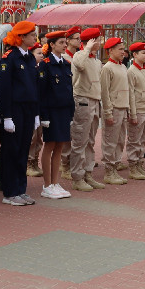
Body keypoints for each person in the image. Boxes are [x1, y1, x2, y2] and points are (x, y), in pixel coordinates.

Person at [0, 21, 39, 206]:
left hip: (28, 110)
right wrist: (6, 116)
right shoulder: (10, 58)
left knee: (23, 150)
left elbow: (34, 88)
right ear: (21, 37)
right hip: (14, 111)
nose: (35, 38)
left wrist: (36, 114)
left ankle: (20, 189)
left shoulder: (29, 58)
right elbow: (3, 89)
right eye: (31, 35)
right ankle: (10, 191)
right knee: (11, 151)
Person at [37, 31, 74, 198]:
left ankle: (55, 182)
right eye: (61, 42)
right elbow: (42, 92)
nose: (65, 45)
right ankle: (47, 185)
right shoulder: (45, 64)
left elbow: (69, 90)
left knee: (60, 146)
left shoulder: (66, 64)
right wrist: (43, 116)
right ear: (52, 45)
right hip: (51, 112)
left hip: (64, 111)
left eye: (65, 42)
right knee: (50, 145)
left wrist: (71, 113)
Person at [69, 28, 105, 190]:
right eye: (97, 39)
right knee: (80, 141)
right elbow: (78, 64)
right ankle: (77, 177)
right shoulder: (79, 55)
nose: (101, 42)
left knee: (90, 141)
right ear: (90, 41)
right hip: (82, 102)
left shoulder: (96, 61)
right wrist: (87, 48)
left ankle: (88, 173)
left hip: (95, 102)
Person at [100, 37, 130, 184]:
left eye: (123, 48)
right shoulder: (107, 68)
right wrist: (107, 112)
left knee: (119, 140)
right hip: (114, 108)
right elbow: (104, 93)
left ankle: (116, 165)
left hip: (123, 108)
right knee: (110, 140)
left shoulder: (123, 67)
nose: (123, 51)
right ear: (110, 50)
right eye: (120, 49)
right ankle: (109, 171)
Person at [125, 42, 145, 180]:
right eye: (142, 53)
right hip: (138, 110)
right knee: (134, 140)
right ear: (135, 55)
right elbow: (130, 93)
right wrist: (132, 113)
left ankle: (140, 164)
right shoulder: (131, 71)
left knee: (143, 140)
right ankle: (133, 166)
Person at [58, 26, 81, 181]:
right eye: (77, 38)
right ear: (68, 40)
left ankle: (74, 162)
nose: (80, 41)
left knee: (78, 134)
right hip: (67, 98)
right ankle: (64, 165)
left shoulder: (79, 56)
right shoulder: (65, 57)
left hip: (78, 98)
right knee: (67, 135)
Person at [27, 42, 45, 178]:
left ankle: (35, 162)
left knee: (39, 137)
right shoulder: (29, 69)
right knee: (32, 137)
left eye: (42, 53)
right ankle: (28, 163)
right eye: (38, 53)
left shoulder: (41, 69)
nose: (42, 55)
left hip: (40, 107)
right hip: (31, 107)